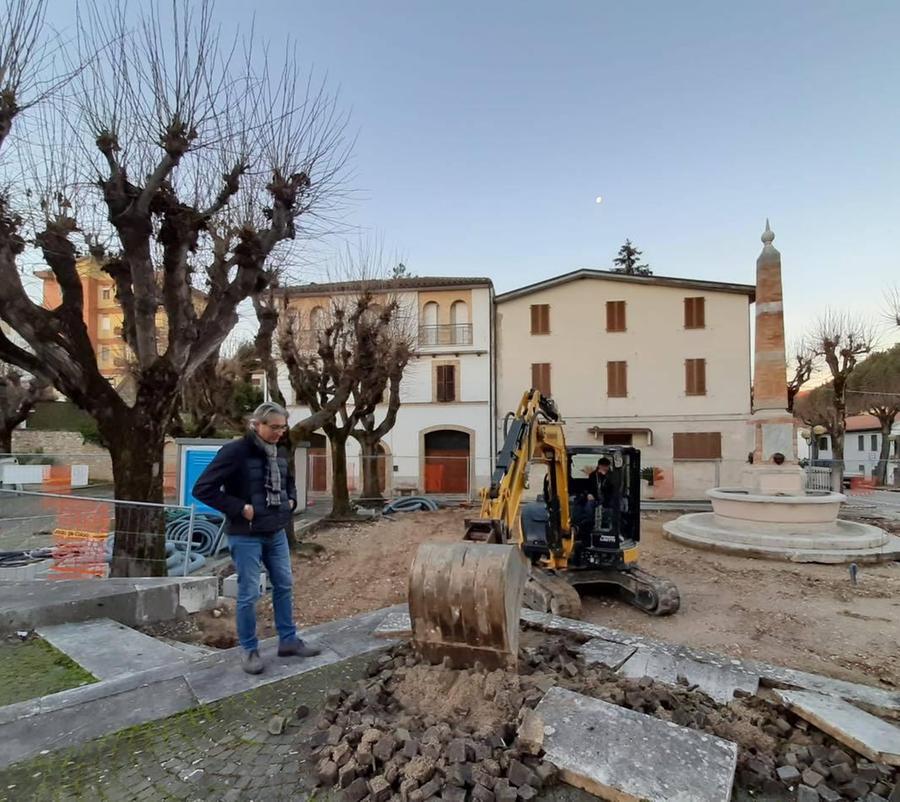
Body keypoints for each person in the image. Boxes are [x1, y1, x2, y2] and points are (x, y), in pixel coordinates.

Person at [193, 402, 320, 675]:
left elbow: (288, 482)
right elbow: (203, 489)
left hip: (275, 531)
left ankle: (288, 641)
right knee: (249, 594)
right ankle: (249, 650)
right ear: (256, 424)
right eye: (273, 427)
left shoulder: (280, 451)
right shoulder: (234, 452)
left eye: (282, 427)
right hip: (246, 535)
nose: (279, 433)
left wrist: (292, 499)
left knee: (284, 585)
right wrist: (240, 508)